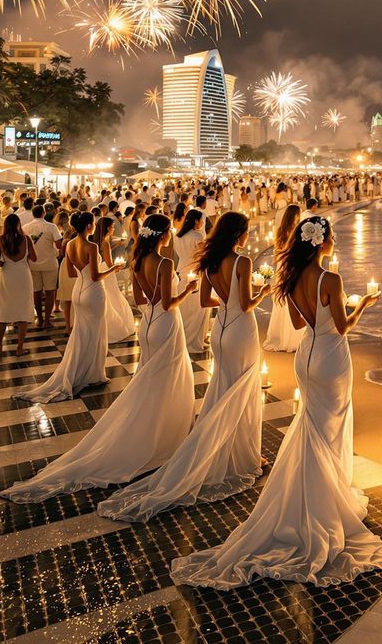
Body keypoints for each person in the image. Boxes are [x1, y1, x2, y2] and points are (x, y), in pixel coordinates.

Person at [170, 216, 382, 589]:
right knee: (330, 427)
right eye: (332, 236)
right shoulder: (331, 280)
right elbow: (342, 327)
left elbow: (298, 320)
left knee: (313, 425)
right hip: (331, 357)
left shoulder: (291, 279)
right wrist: (364, 305)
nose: (334, 240)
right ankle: (326, 497)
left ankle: (311, 495)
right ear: (321, 242)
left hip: (306, 355)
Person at [1, 215, 196, 503]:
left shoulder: (138, 260)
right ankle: (166, 433)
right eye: (169, 232)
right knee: (170, 379)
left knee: (151, 380)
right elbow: (168, 303)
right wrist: (188, 290)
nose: (171, 235)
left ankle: (155, 428)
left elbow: (142, 300)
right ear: (163, 234)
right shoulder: (164, 264)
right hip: (166, 323)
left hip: (148, 324)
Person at [98, 212, 267, 522]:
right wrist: (262, 294)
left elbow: (205, 301)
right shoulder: (241, 263)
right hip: (241, 330)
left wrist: (225, 303)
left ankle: (227, 448)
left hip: (219, 333)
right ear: (239, 234)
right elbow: (245, 306)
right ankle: (244, 455)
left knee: (223, 389)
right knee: (243, 391)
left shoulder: (210, 262)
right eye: (245, 232)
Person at [15, 213, 119, 402]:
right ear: (89, 226)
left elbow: (71, 272)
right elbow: (96, 276)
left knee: (81, 333)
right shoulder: (92, 246)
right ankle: (94, 375)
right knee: (95, 334)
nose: (94, 226)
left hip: (78, 290)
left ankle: (81, 370)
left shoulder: (69, 244)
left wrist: (85, 274)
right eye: (93, 224)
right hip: (94, 292)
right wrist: (114, 269)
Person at [0, 214, 37, 358]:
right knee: (23, 311)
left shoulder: (0, 240)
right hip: (23, 277)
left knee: (3, 310)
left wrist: (7, 263)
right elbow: (34, 258)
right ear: (18, 224)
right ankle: (19, 347)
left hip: (7, 277)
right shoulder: (26, 239)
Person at [263, 205, 306, 352]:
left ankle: (281, 335)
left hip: (282, 267)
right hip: (291, 266)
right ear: (294, 215)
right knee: (293, 300)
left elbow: (277, 254)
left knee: (283, 302)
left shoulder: (280, 230)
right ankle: (292, 338)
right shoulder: (295, 231)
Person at [94, 216, 136, 343]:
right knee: (113, 297)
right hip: (107, 272)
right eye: (112, 226)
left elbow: (102, 255)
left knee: (109, 297)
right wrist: (118, 266)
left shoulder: (98, 241)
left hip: (101, 269)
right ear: (108, 228)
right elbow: (108, 262)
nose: (114, 229)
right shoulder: (105, 242)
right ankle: (116, 328)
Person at [171, 208, 209, 353]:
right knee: (197, 309)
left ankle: (190, 338)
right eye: (201, 220)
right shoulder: (197, 237)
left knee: (185, 309)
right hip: (195, 272)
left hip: (182, 271)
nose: (202, 223)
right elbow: (203, 255)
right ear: (195, 221)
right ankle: (193, 342)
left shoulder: (178, 236)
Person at [24, 204, 62, 330]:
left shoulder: (26, 228)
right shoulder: (51, 227)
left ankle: (39, 318)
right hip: (50, 263)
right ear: (44, 213)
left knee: (36, 292)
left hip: (33, 264)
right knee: (50, 292)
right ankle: (46, 320)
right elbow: (58, 244)